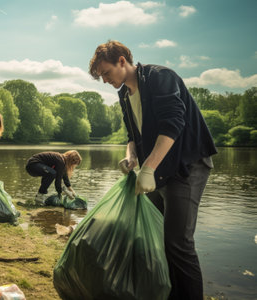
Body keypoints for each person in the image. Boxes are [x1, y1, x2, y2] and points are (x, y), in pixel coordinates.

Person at [89, 40, 217, 300]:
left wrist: (147, 169)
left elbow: (173, 124)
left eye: (106, 73)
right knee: (153, 237)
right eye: (100, 77)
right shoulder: (124, 94)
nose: (104, 81)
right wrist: (131, 157)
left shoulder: (160, 77)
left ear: (122, 61)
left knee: (178, 243)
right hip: (158, 170)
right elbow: (132, 135)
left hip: (186, 166)